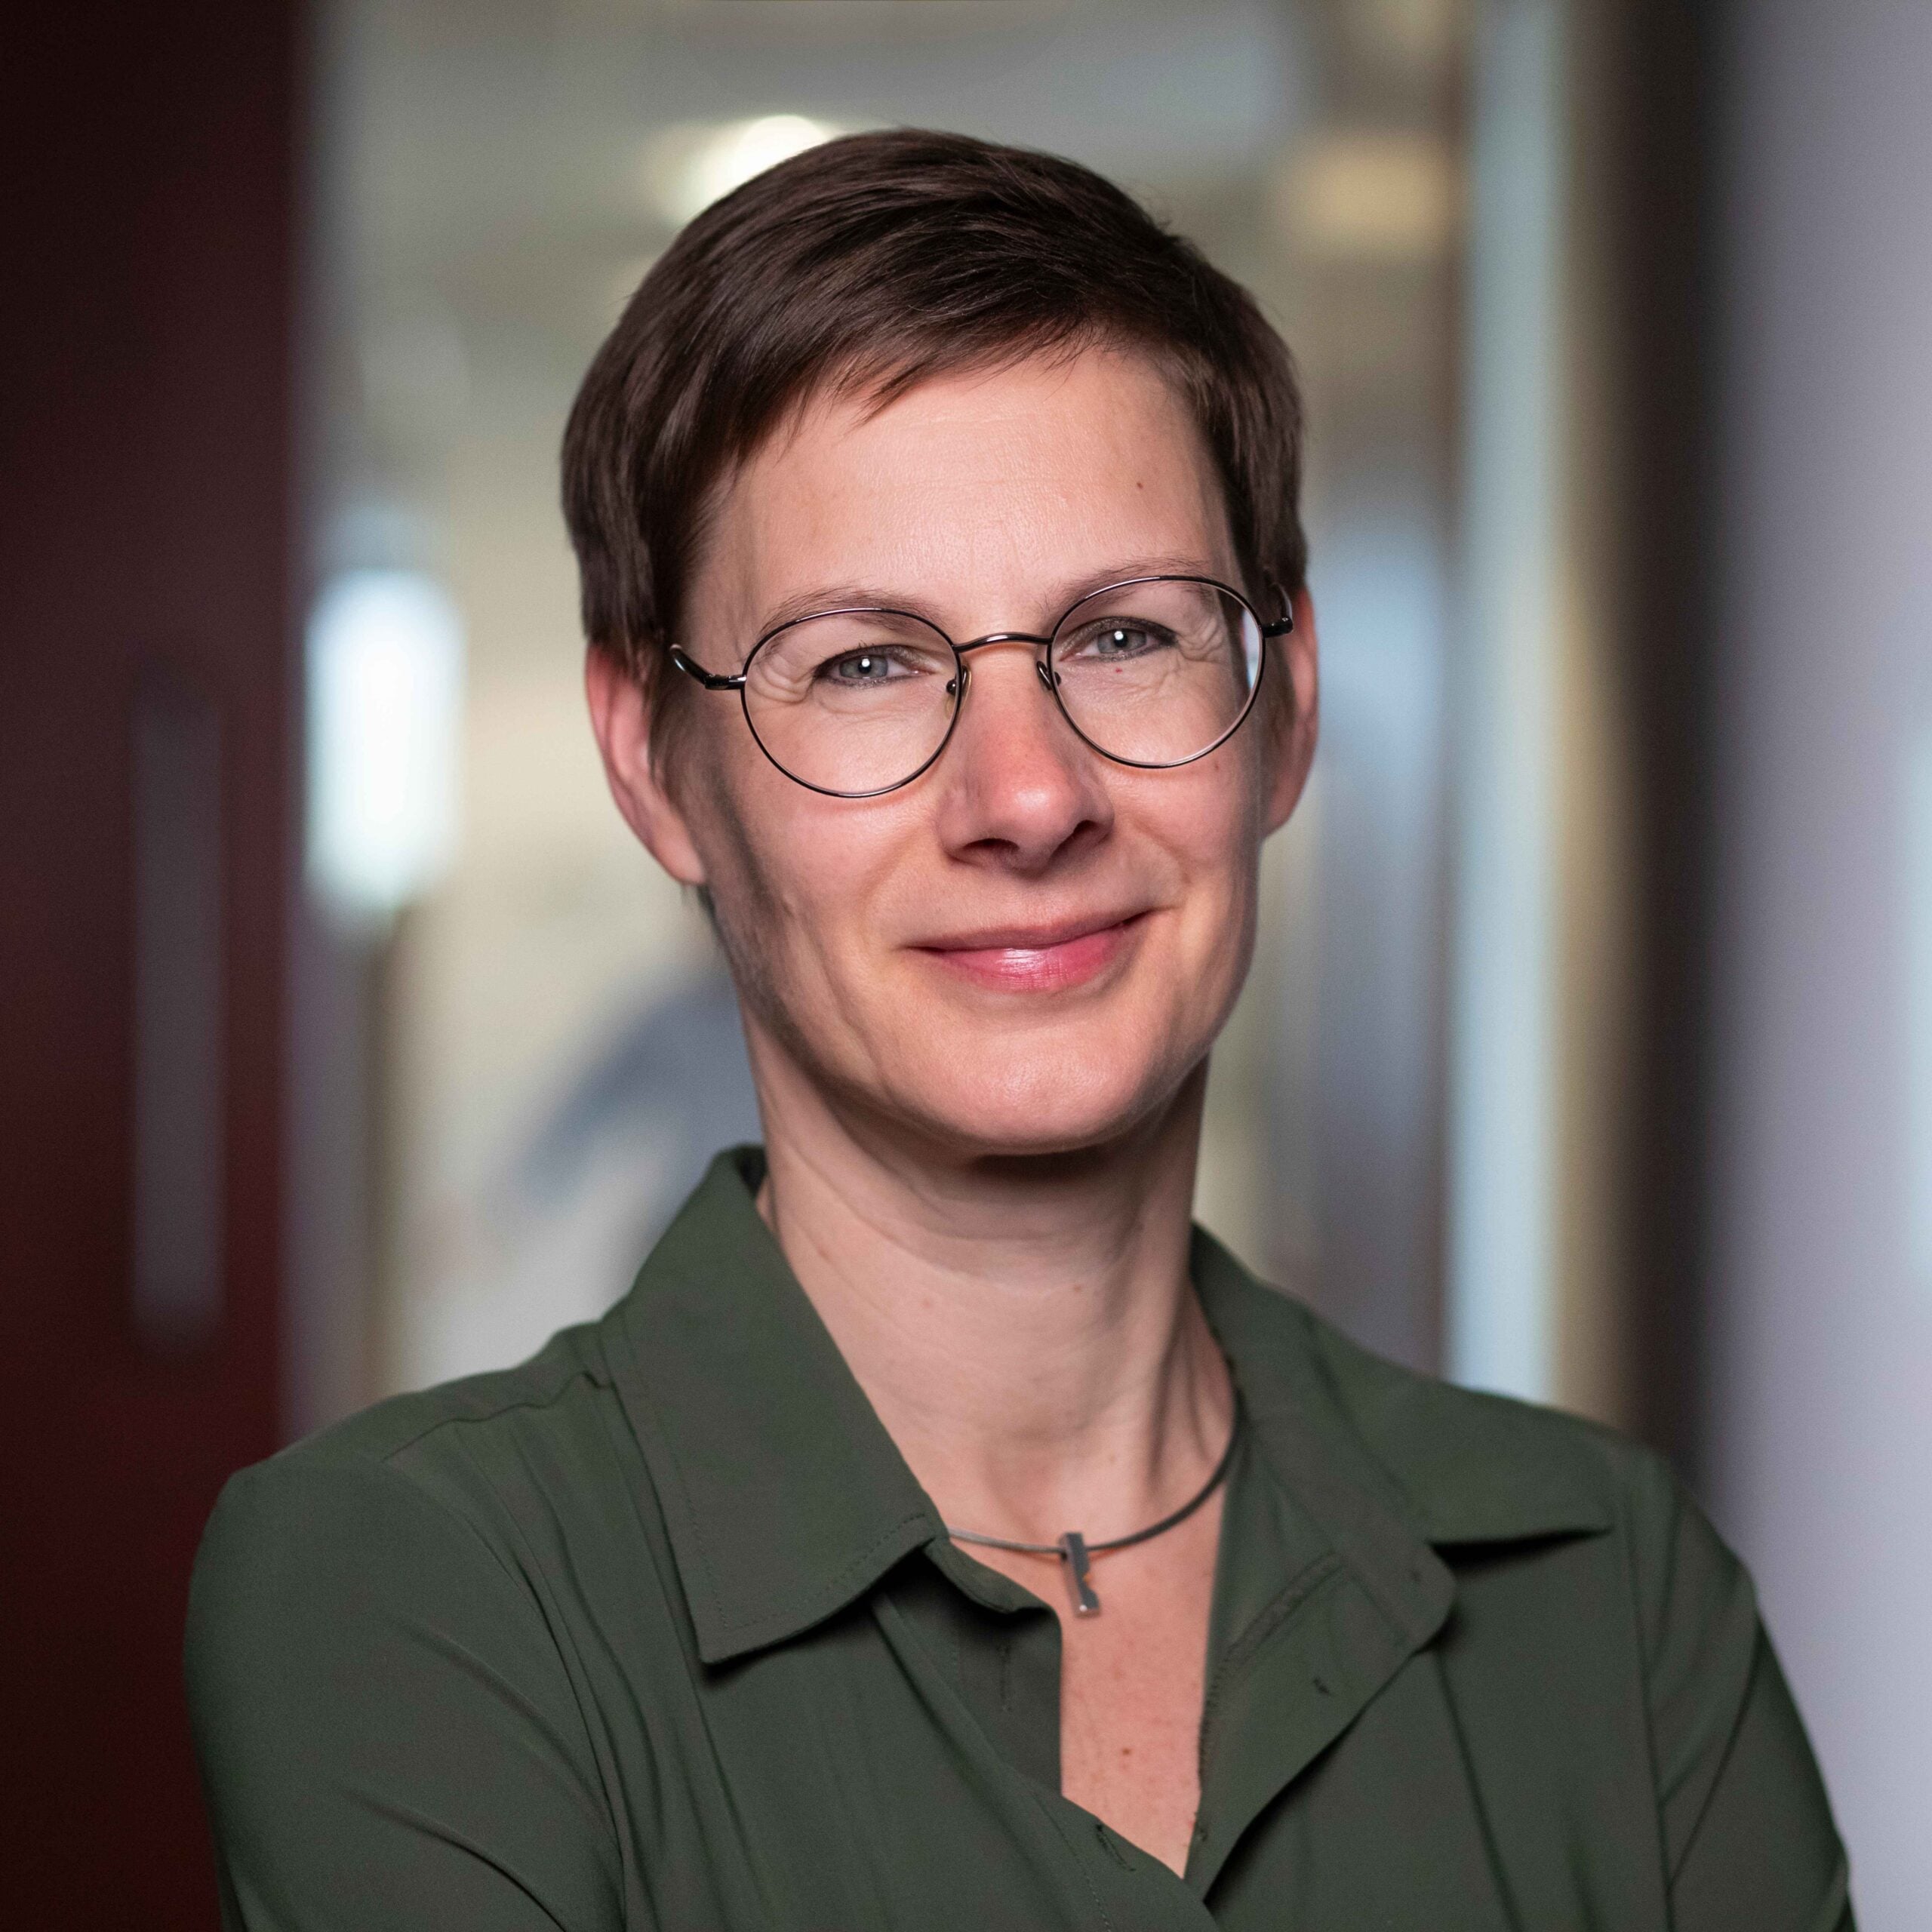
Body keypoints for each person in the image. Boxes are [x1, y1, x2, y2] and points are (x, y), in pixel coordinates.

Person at [186, 130, 1851, 1930]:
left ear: (1284, 707)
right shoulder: (425, 1584)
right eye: (862, 662)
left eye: (1124, 634)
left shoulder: (1608, 1591)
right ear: (654, 766)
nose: (1028, 797)